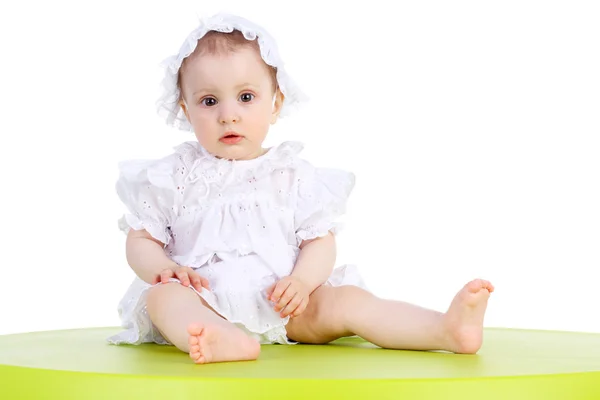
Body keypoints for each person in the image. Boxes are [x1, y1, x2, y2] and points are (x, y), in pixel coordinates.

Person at [108, 13, 495, 364]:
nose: (228, 114)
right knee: (163, 298)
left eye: (246, 97)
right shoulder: (172, 175)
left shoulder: (293, 175)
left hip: (287, 309)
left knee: (346, 302)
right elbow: (142, 238)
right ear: (186, 110)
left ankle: (445, 329)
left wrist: (303, 282)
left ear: (275, 103)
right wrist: (164, 270)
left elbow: (319, 241)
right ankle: (219, 336)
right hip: (202, 301)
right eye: (209, 101)